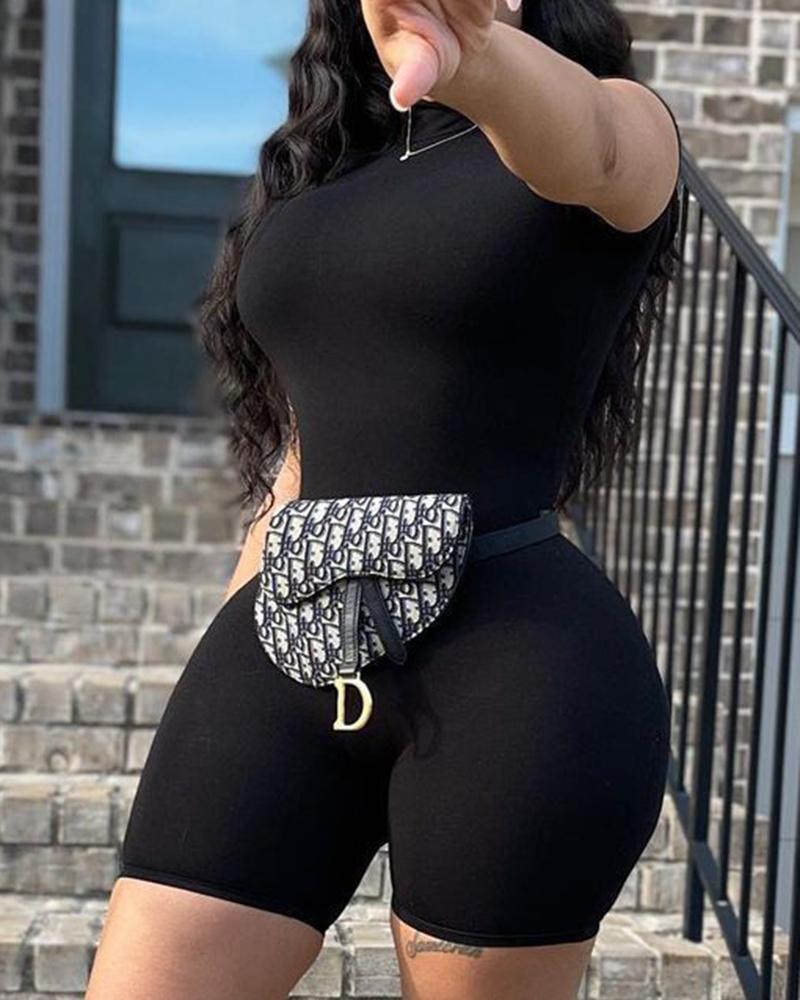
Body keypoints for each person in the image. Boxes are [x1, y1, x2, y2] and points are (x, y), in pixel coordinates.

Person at [86, 0, 681, 997]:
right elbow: (309, 439)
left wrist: (474, 60)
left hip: (515, 667)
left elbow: (592, 148)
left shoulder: (619, 117)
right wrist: (235, 625)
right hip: (291, 623)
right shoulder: (330, 166)